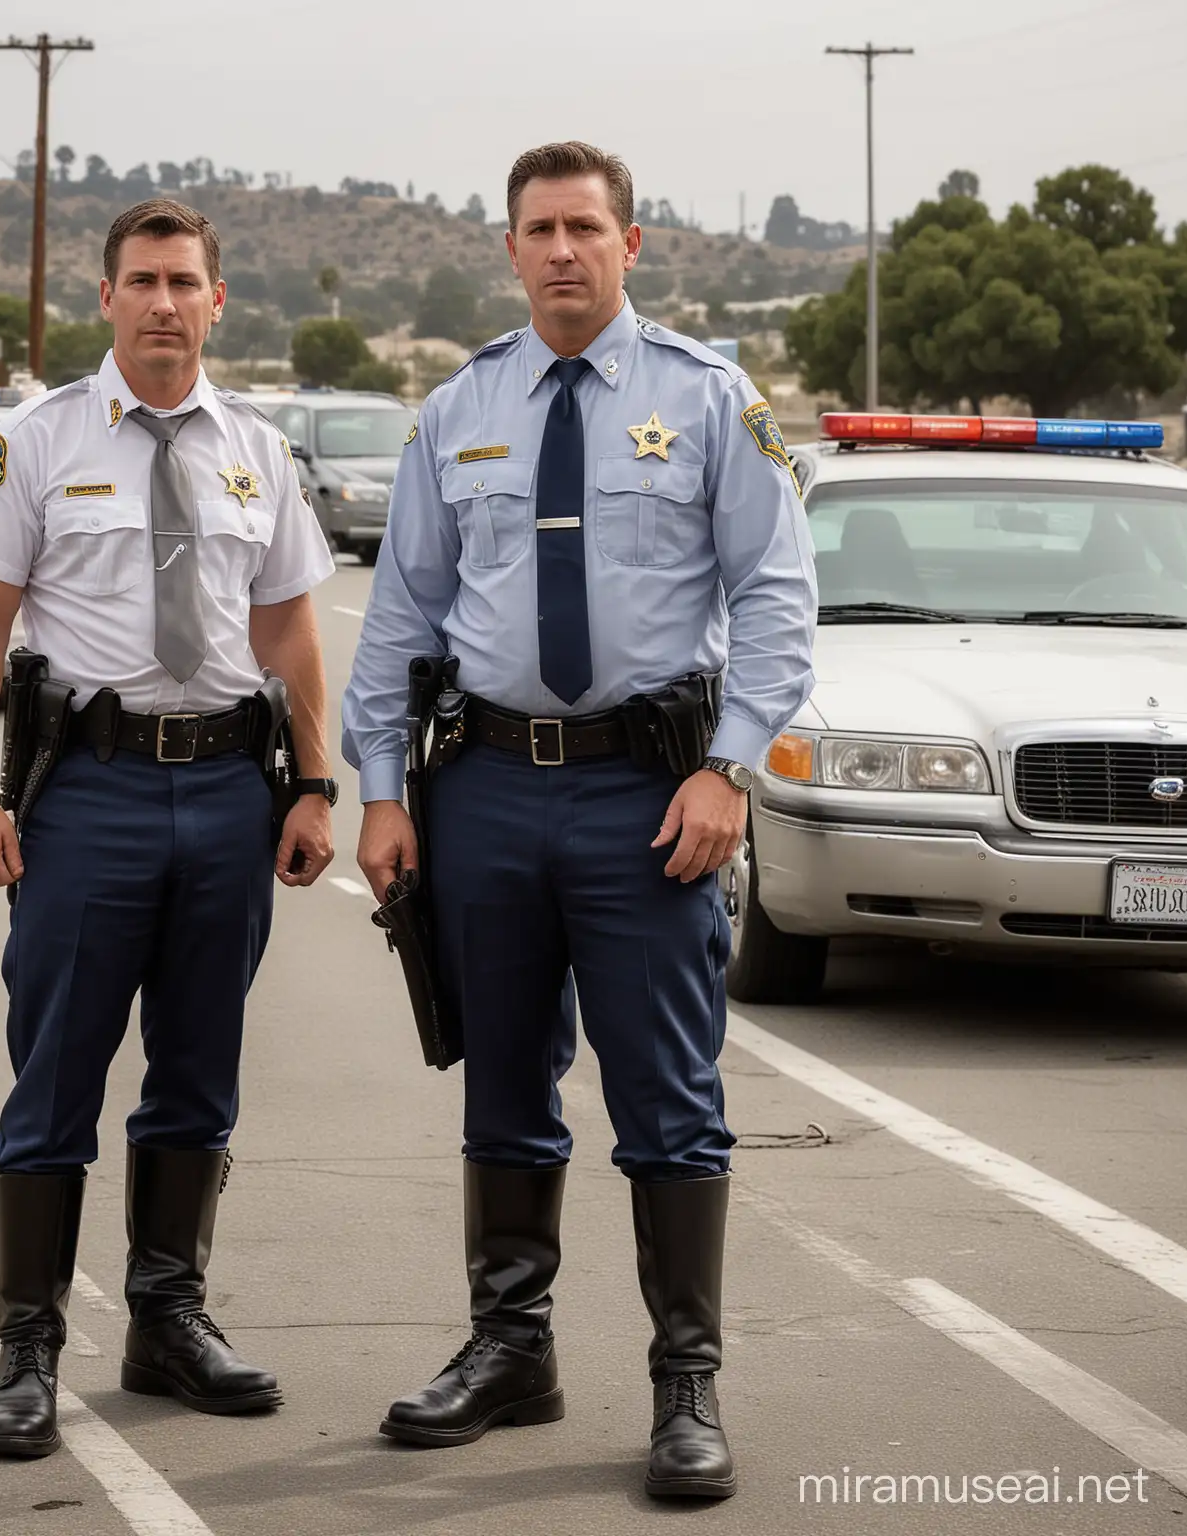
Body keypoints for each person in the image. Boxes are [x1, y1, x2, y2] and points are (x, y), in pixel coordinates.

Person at [341, 142, 817, 1500]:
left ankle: (686, 1387)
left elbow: (780, 602)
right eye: (538, 230)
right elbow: (402, 618)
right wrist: (384, 788)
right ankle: (511, 1352)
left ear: (632, 244)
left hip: (645, 790)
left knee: (668, 1097)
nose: (561, 250)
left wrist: (728, 770)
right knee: (502, 1076)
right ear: (510, 250)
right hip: (482, 786)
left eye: (584, 228)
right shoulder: (459, 410)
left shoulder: (712, 401)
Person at [0, 198, 339, 1460]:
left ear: (219, 301)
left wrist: (316, 783)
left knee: (199, 1066)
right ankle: (27, 1350)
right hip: (91, 792)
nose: (165, 303)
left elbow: (289, 633)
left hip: (228, 790)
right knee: (56, 1068)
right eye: (143, 281)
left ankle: (167, 1320)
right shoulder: (37, 440)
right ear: (105, 298)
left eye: (185, 282)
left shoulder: (258, 454)